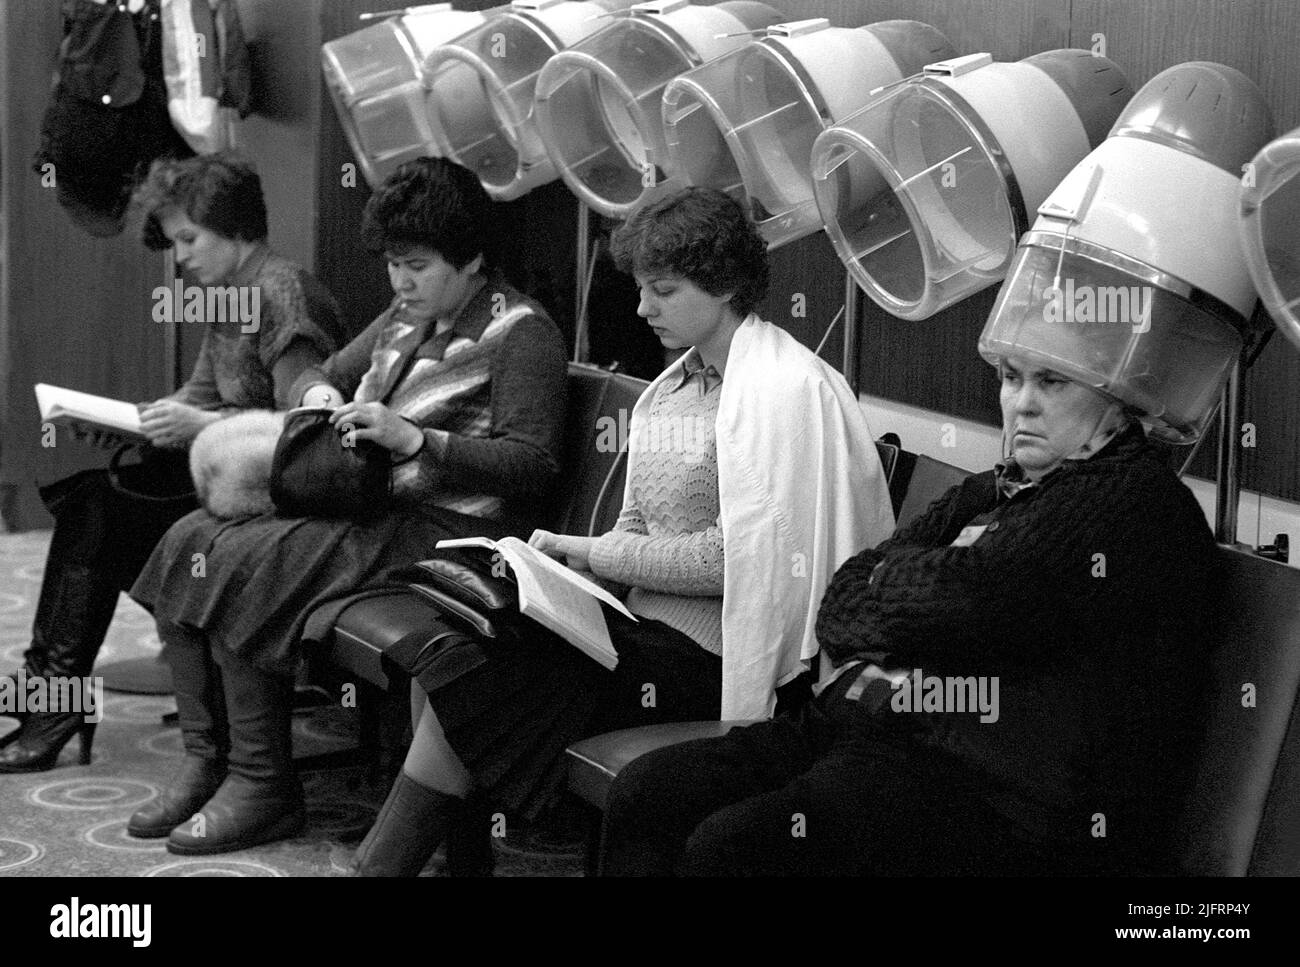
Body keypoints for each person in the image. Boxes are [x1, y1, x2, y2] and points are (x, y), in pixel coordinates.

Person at [350, 187, 896, 876]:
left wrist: (583, 550)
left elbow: (740, 561)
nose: (642, 309)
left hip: (718, 659)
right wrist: (553, 581)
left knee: (475, 672)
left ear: (725, 283)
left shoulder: (784, 391)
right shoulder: (673, 386)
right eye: (642, 288)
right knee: (454, 649)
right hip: (642, 635)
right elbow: (637, 521)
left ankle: (379, 869)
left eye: (664, 290)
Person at [598, 347, 1218, 876]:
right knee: (647, 794)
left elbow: (972, 598)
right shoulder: (998, 484)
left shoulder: (1132, 502)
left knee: (735, 846)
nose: (1021, 404)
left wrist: (894, 588)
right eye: (1010, 378)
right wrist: (905, 592)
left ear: (1117, 396)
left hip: (995, 792)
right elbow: (841, 598)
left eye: (1050, 383)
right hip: (873, 728)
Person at [126, 156, 569, 855]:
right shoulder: (401, 318)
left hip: (447, 534)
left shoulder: (523, 333)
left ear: (474, 257)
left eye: (417, 266)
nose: (400, 282)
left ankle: (262, 781)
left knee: (242, 560)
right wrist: (321, 397)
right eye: (393, 264)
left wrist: (420, 438)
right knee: (194, 537)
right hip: (377, 512)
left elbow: (534, 465)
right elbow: (314, 373)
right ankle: (207, 758)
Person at [0, 152, 345, 773]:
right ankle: (48, 692)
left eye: (190, 238)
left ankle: (51, 697)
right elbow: (200, 398)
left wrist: (200, 426)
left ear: (236, 230)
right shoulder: (226, 294)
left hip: (273, 500)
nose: (179, 256)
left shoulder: (283, 292)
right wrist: (147, 420)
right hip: (220, 480)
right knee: (86, 495)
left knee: (99, 515)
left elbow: (307, 433)